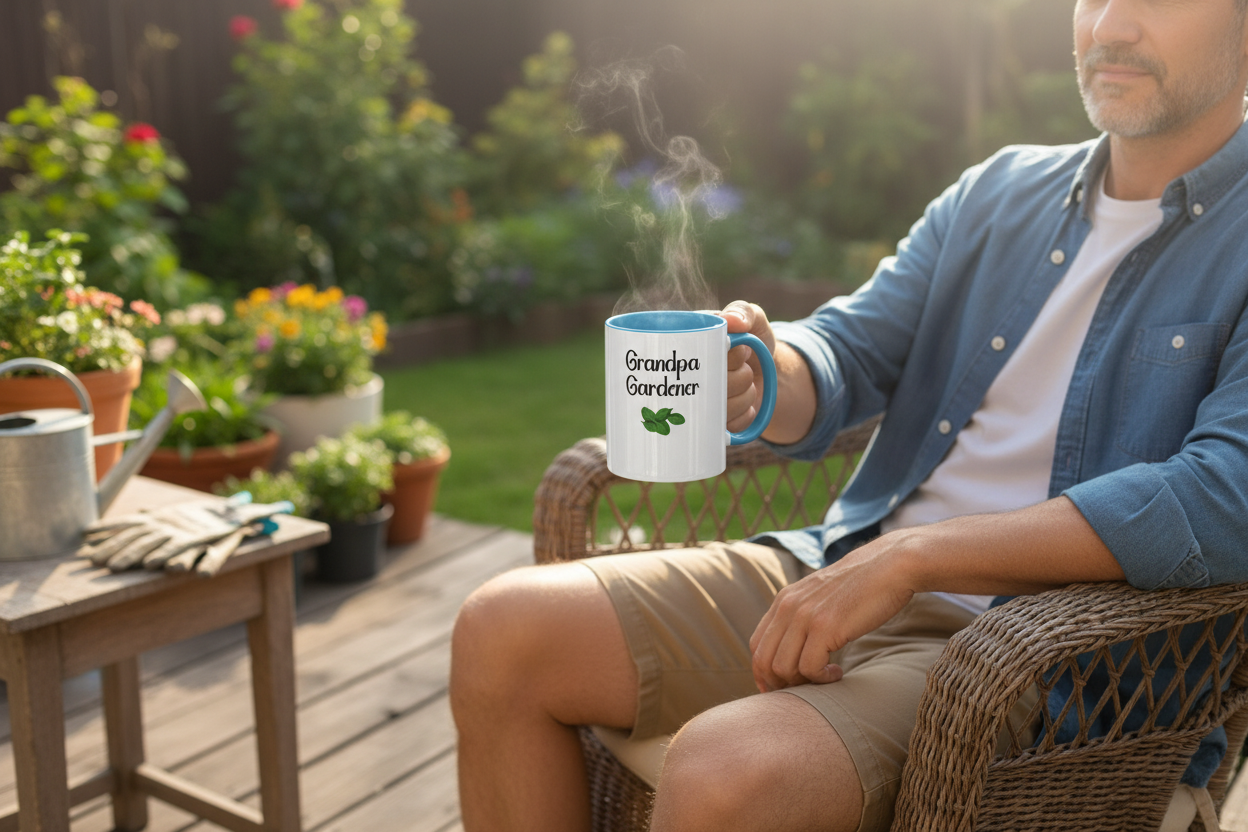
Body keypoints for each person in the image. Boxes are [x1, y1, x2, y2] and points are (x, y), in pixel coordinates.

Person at [450, 0, 1248, 829]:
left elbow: (1226, 498)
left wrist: (914, 558)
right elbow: (851, 350)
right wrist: (765, 369)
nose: (1110, 23)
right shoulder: (997, 193)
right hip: (850, 565)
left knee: (729, 772)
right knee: (503, 631)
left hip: (1036, 659)